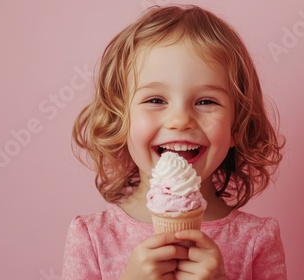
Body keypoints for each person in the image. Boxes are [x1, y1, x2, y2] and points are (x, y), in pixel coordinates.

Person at [62, 4, 287, 280]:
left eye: (206, 101)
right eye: (155, 100)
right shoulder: (92, 238)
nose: (180, 120)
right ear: (120, 119)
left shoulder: (257, 240)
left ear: (237, 125)